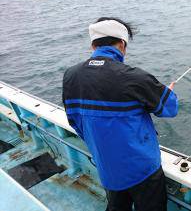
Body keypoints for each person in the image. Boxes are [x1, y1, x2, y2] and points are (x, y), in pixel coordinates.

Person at [62, 17, 178, 211]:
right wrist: (168, 92)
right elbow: (170, 108)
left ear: (93, 45)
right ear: (122, 44)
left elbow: (74, 121)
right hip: (143, 170)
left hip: (107, 168)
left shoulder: (70, 76)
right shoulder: (134, 77)